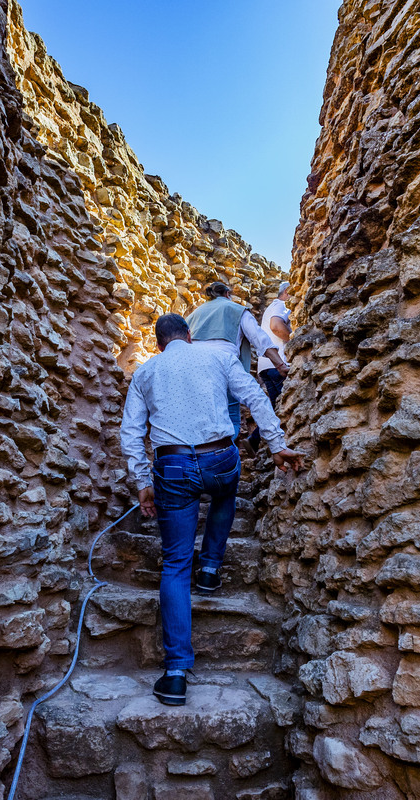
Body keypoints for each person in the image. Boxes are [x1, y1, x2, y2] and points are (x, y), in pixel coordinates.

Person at [120, 313, 303, 706]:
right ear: (189, 335)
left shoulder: (146, 372)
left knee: (173, 564)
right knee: (227, 486)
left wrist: (142, 484)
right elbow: (254, 396)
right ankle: (210, 566)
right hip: (219, 458)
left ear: (158, 344)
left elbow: (132, 433)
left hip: (171, 467)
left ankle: (174, 673)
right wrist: (275, 444)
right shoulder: (218, 358)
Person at [185, 282, 287, 439]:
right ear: (227, 294)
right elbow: (260, 339)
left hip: (193, 370)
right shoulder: (237, 310)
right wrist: (280, 365)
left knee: (197, 419)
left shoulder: (192, 316)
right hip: (224, 367)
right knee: (231, 416)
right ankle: (227, 455)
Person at [248, 282, 294, 452]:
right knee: (284, 406)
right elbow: (276, 326)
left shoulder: (270, 307)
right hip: (278, 363)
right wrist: (295, 340)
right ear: (287, 292)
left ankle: (254, 439)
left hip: (266, 365)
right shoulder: (281, 305)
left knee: (276, 406)